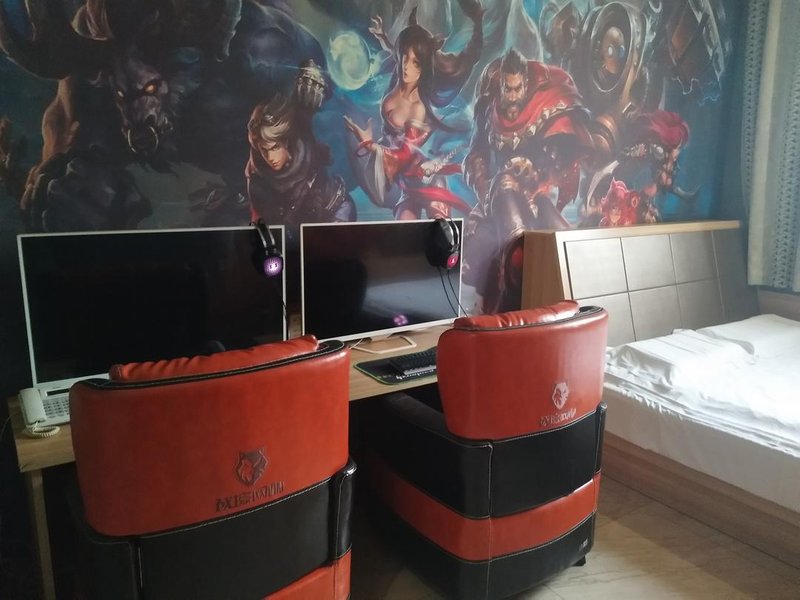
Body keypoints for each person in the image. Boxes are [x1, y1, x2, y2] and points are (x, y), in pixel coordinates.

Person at [462, 48, 595, 311]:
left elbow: (558, 160)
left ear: (525, 85)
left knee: (562, 248)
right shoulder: (488, 111)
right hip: (497, 199)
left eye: (517, 89)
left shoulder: (543, 109)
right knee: (484, 248)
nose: (512, 96)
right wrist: (484, 185)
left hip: (534, 196)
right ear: (501, 86)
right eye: (507, 89)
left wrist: (538, 177)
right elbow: (476, 154)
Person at [344, 1, 483, 219]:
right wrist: (383, 38)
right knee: (405, 229)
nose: (407, 67)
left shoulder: (418, 109)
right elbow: (399, 52)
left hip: (426, 177)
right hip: (407, 184)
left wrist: (370, 145)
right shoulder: (400, 75)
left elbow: (404, 155)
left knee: (441, 232)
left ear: (424, 67)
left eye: (415, 63)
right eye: (405, 59)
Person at [246, 61, 356, 245]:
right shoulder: (258, 180)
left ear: (286, 142)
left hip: (335, 210)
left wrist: (311, 77)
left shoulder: (302, 136)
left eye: (274, 148)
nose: (270, 157)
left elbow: (308, 97)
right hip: (296, 235)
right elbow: (265, 225)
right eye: (264, 150)